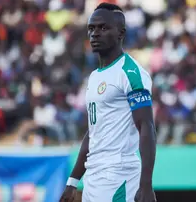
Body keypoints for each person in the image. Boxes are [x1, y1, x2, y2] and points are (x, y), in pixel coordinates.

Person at [60, 3, 157, 202]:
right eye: (91, 28)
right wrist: (72, 181)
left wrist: (146, 184)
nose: (95, 33)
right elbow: (93, 132)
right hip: (93, 177)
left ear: (121, 33)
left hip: (118, 174)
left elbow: (146, 126)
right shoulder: (94, 77)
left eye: (103, 28)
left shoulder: (131, 72)